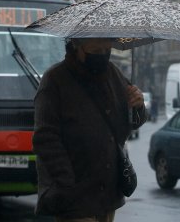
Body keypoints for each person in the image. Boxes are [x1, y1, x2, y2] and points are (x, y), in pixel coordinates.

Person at [32, 38, 147, 222]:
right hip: (75, 199)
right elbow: (45, 139)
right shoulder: (55, 79)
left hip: (108, 196)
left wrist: (138, 106)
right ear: (77, 46)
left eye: (106, 49)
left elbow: (129, 125)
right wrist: (67, 183)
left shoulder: (114, 74)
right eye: (95, 49)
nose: (101, 55)